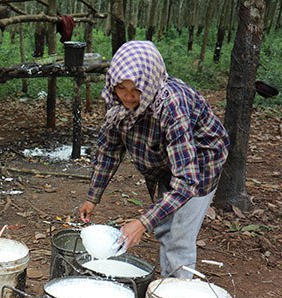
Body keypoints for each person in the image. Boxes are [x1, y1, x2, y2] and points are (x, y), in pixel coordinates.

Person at [79, 40, 229, 278]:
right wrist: (92, 197)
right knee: (164, 226)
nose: (128, 97)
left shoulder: (171, 106)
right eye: (121, 88)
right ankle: (168, 280)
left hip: (199, 165)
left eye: (135, 90)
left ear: (148, 83)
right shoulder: (118, 105)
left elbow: (187, 181)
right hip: (164, 163)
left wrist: (141, 223)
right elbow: (109, 150)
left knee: (179, 237)